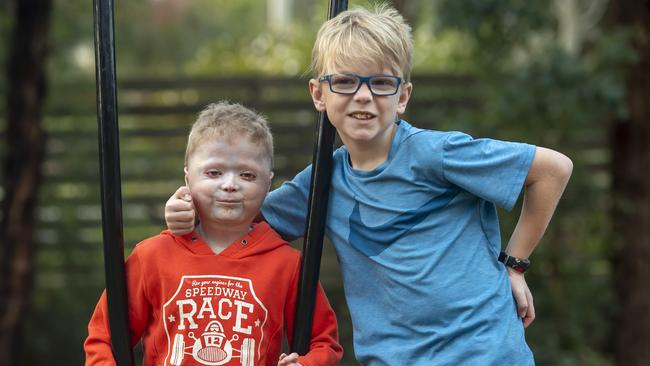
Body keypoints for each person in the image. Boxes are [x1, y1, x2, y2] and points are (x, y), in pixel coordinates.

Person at [164, 5, 573, 365]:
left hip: (484, 353)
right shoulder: (320, 183)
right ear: (318, 94)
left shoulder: (437, 154)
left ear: (403, 96)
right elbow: (237, 219)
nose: (363, 96)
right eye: (344, 82)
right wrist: (187, 207)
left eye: (380, 83)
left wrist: (516, 265)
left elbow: (553, 169)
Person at [85, 102, 343, 366]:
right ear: (188, 179)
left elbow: (324, 343)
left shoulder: (287, 265)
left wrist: (306, 364)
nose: (229, 185)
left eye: (247, 175)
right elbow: (103, 338)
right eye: (214, 172)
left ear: (268, 182)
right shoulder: (152, 257)